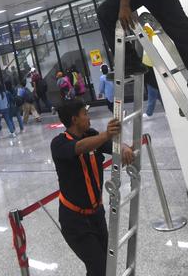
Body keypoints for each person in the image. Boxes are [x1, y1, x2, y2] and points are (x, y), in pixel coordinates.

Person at [51, 100, 135, 276]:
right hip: (74, 221)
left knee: (104, 264)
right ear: (74, 119)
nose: (88, 118)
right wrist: (106, 134)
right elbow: (79, 147)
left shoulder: (91, 134)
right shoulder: (58, 144)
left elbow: (110, 146)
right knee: (99, 267)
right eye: (85, 114)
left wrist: (124, 146)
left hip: (97, 215)